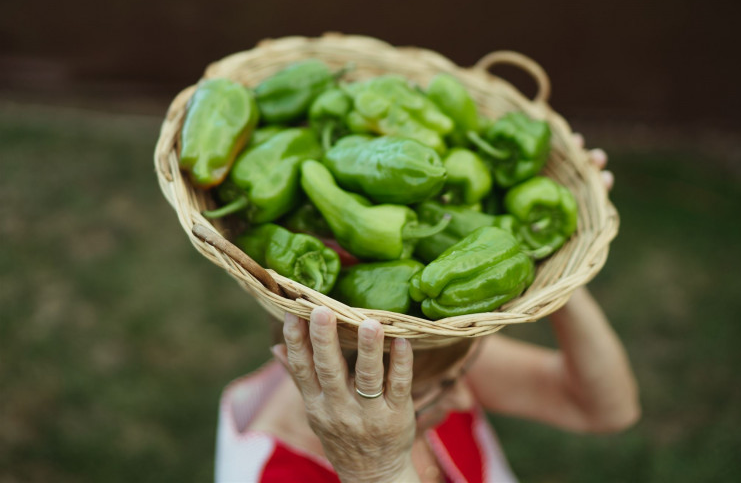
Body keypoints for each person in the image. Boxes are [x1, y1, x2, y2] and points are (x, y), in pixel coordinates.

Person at [214, 140, 640, 482]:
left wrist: (561, 267)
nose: (460, 398)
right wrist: (378, 471)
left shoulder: (415, 355)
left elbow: (604, 407)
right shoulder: (271, 474)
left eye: (455, 378)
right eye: (428, 392)